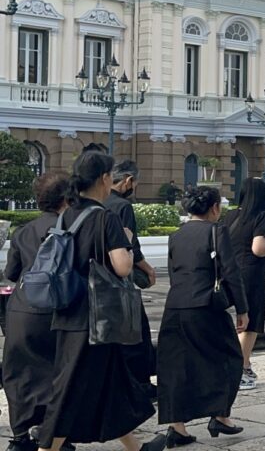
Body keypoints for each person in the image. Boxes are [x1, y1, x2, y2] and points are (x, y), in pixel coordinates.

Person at [36, 151, 165, 451]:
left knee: (111, 381)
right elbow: (121, 267)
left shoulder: (66, 214)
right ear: (105, 179)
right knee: (68, 391)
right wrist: (128, 245)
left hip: (68, 309)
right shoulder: (104, 217)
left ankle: (136, 447)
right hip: (96, 317)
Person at [158, 186, 248, 446]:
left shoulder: (175, 235)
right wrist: (242, 309)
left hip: (175, 306)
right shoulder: (216, 231)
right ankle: (219, 414)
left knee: (176, 366)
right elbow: (230, 272)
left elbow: (173, 272)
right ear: (214, 208)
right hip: (205, 306)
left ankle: (177, 427)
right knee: (230, 357)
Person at [3, 173, 71, 451]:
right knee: (59, 374)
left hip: (21, 307)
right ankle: (54, 436)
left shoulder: (23, 231)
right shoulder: (71, 229)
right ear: (67, 198)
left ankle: (20, 437)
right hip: (57, 309)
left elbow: (11, 272)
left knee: (19, 373)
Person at [105, 160, 158, 400]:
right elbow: (129, 244)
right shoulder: (123, 206)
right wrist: (147, 268)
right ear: (127, 180)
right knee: (139, 333)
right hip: (121, 275)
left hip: (99, 276)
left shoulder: (98, 203)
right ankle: (141, 384)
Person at [222, 178, 265, 390]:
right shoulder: (261, 216)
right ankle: (242, 367)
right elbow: (258, 249)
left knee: (239, 319)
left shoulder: (231, 215)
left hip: (231, 272)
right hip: (252, 273)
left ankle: (240, 365)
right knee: (252, 321)